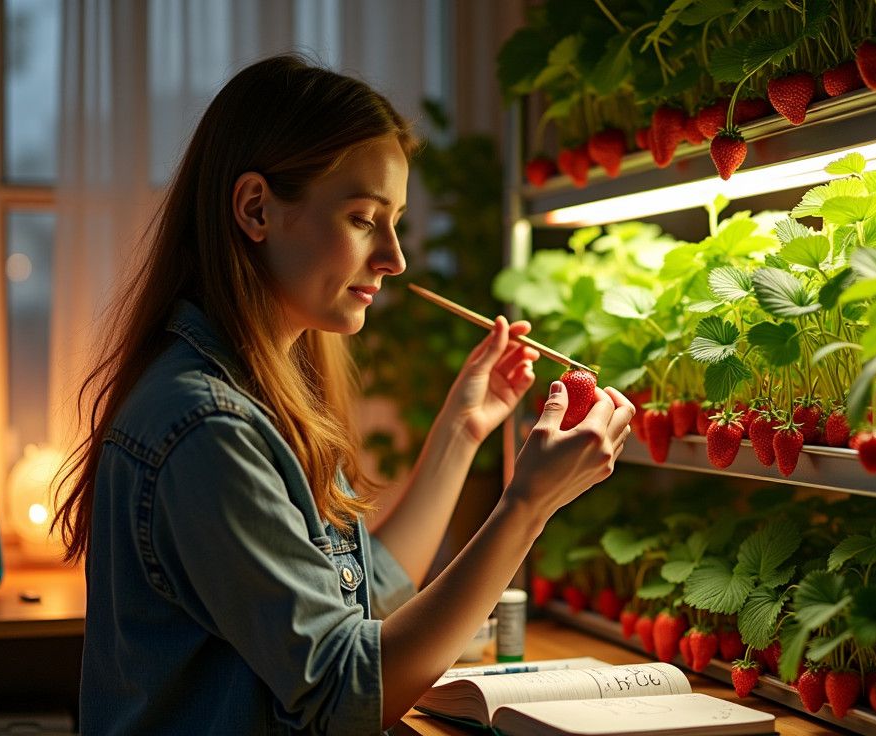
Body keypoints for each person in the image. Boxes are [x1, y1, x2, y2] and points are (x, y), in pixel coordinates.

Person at [52, 54, 634, 735]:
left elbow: (365, 597)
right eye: (363, 218)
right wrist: (528, 505)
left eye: (395, 221)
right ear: (256, 209)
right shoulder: (207, 429)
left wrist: (461, 431)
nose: (394, 257)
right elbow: (344, 694)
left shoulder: (255, 392)